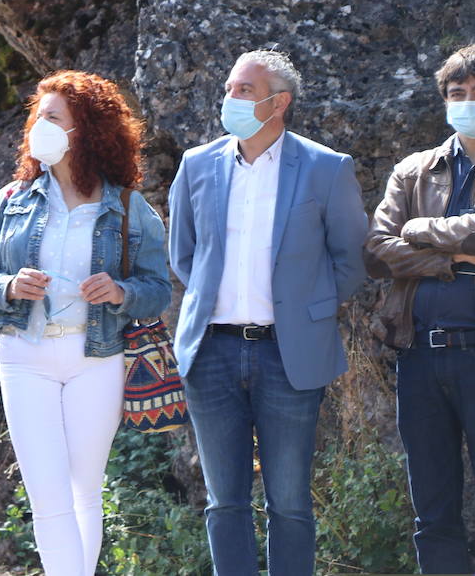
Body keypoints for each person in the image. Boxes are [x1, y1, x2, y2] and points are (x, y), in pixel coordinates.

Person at [0, 70, 171, 576]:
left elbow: (158, 289)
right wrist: (9, 286)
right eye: (38, 116)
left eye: (52, 117)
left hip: (95, 357)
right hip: (23, 354)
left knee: (84, 488)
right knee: (48, 491)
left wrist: (121, 292)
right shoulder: (13, 199)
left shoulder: (127, 207)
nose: (39, 126)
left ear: (88, 130)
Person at [168, 49, 367, 576]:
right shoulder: (197, 164)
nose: (229, 99)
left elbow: (351, 258)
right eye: (229, 88)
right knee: (223, 501)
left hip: (289, 353)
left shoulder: (326, 168)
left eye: (244, 91)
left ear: (279, 103)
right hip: (211, 351)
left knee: (290, 501)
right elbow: (184, 255)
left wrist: (309, 311)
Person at [365, 42, 475, 574]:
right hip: (419, 360)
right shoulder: (414, 171)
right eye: (457, 93)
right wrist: (455, 260)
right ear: (444, 101)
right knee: (434, 516)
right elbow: (377, 251)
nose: (468, 101)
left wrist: (422, 231)